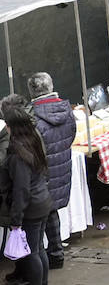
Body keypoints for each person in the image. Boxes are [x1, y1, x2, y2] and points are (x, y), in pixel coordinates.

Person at [2, 95, 51, 285]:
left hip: (31, 206)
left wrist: (16, 219)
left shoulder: (17, 153)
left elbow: (21, 190)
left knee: (31, 252)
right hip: (42, 200)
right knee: (38, 248)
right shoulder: (33, 141)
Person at [25, 74, 75, 272]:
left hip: (43, 171)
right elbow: (72, 133)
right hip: (61, 164)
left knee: (41, 215)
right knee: (51, 209)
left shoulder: (33, 117)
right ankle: (56, 252)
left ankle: (48, 256)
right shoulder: (66, 109)